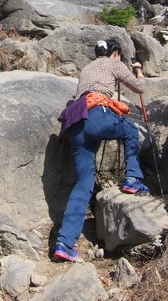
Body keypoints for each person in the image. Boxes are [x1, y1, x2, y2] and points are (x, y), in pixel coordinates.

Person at [53, 39, 149, 262]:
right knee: (131, 130)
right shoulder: (114, 63)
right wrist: (138, 71)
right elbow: (140, 88)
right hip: (97, 115)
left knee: (83, 185)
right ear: (115, 53)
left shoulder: (86, 68)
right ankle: (133, 178)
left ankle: (64, 243)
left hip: (75, 123)